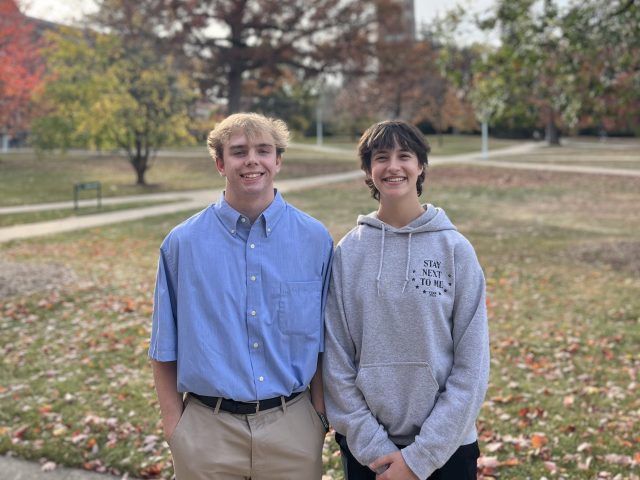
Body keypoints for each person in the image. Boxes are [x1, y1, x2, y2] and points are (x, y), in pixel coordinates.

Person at [149, 112, 333, 480]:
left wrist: (318, 414)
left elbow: (328, 340)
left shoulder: (316, 241)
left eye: (263, 150)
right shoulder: (182, 245)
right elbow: (163, 345)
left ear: (277, 161)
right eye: (238, 151)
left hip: (293, 428)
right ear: (220, 163)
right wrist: (174, 423)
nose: (252, 160)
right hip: (206, 432)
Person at [323, 120, 490, 480]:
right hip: (369, 452)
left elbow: (472, 366)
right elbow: (336, 362)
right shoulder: (348, 253)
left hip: (447, 449)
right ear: (369, 170)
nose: (393, 166)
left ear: (421, 167)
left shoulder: (455, 250)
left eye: (405, 156)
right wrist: (374, 448)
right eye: (381, 157)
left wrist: (420, 457)